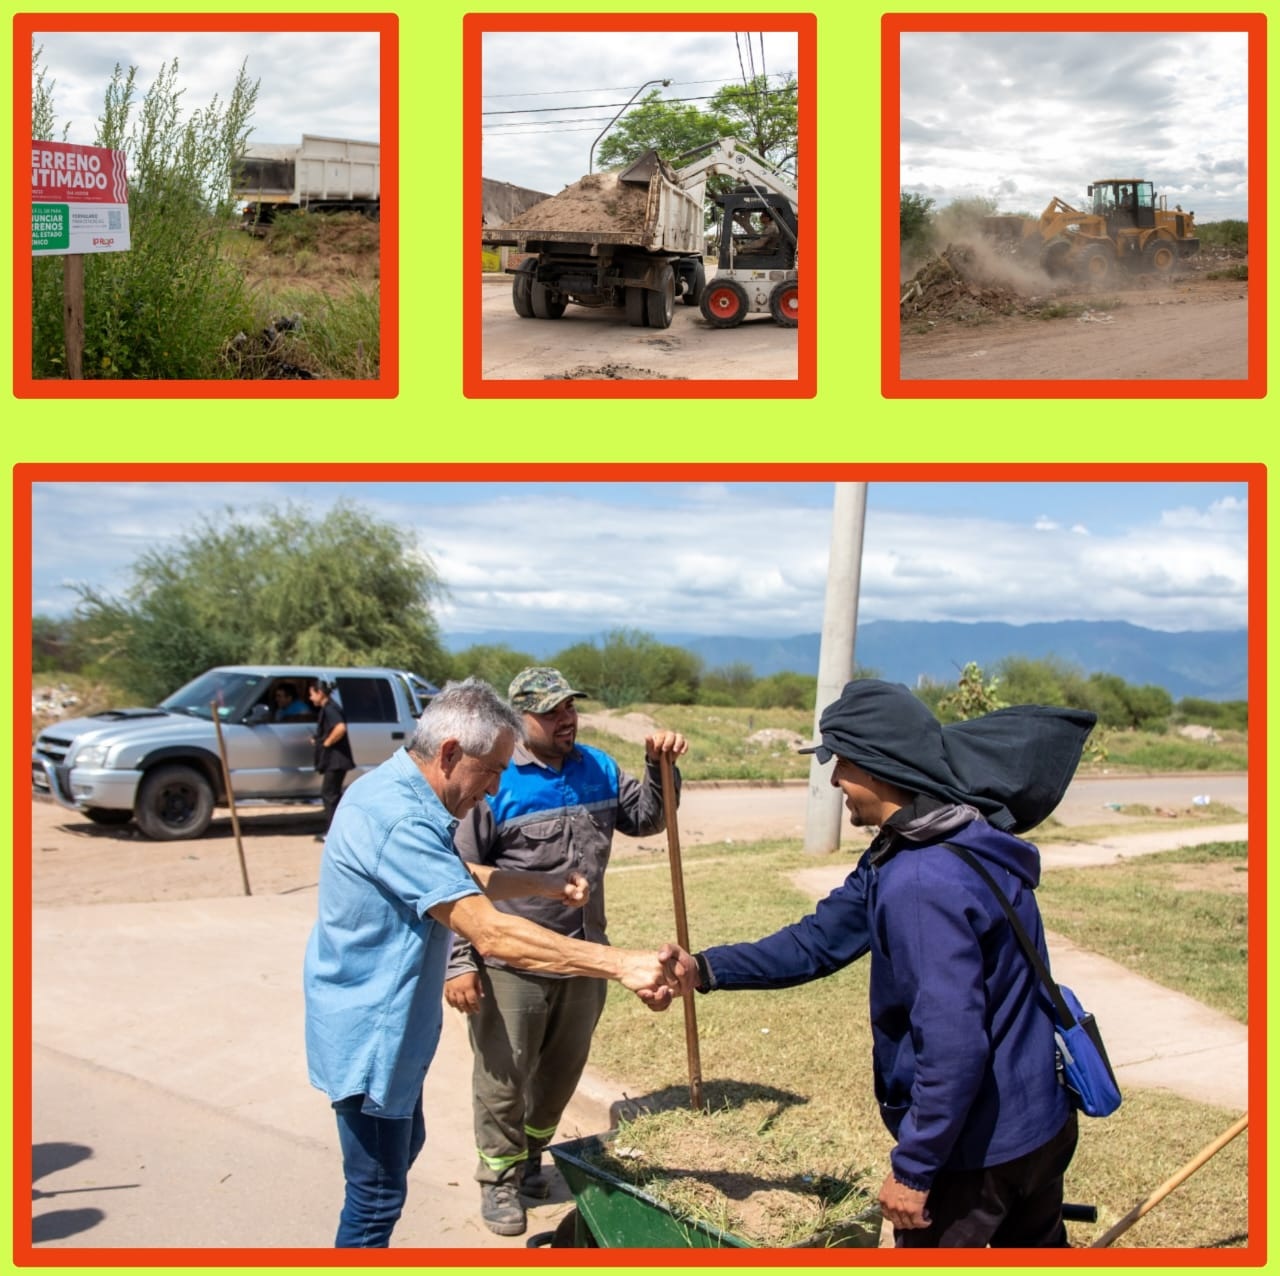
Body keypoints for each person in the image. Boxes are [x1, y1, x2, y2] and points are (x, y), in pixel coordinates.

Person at [660, 680, 1097, 1249]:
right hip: (1040, 1124)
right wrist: (705, 969)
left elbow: (953, 1040)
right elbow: (819, 940)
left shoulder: (920, 880)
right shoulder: (948, 833)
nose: (836, 778)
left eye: (840, 762)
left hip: (975, 1155)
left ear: (875, 765)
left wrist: (915, 1170)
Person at [303, 677, 677, 1248]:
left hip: (391, 1037)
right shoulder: (403, 818)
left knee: (400, 1159)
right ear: (451, 753)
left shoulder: (395, 791)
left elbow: (458, 875)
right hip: (372, 1040)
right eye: (493, 770)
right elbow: (491, 934)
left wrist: (540, 883)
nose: (498, 785)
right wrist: (620, 963)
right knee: (375, 1201)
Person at [444, 666, 689, 1236]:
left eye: (569, 708)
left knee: (559, 1075)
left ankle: (532, 1160)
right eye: (551, 712)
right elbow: (455, 879)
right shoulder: (496, 780)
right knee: (504, 1079)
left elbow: (649, 818)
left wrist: (661, 768)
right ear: (518, 719)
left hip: (584, 952)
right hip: (511, 960)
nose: (566, 719)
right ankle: (498, 1181)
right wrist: (460, 962)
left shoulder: (596, 768)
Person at [310, 678, 355, 840]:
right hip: (335, 760)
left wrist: (327, 743)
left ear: (320, 693)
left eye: (312, 694)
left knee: (329, 795)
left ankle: (333, 833)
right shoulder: (329, 707)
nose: (310, 698)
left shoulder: (330, 709)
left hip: (336, 760)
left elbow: (340, 727)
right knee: (331, 794)